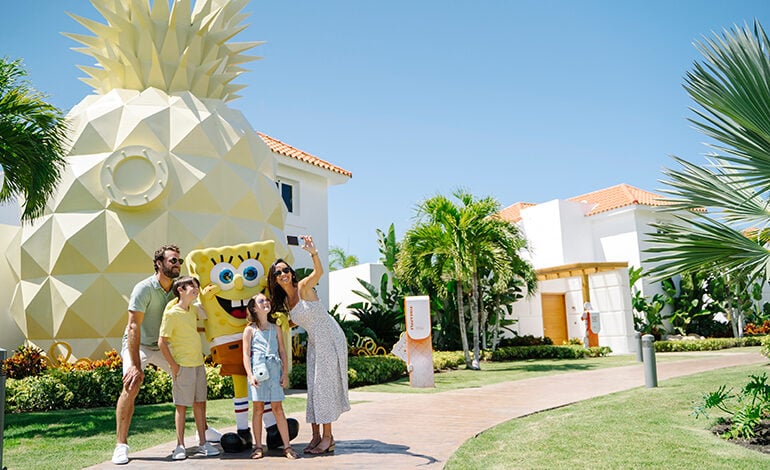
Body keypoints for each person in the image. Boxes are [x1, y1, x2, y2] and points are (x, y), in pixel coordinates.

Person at [112, 244, 220, 465]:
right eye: (173, 260)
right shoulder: (144, 288)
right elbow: (133, 327)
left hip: (165, 347)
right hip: (139, 344)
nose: (177, 264)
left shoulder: (178, 288)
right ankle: (121, 445)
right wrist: (134, 364)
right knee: (131, 385)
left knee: (190, 379)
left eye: (179, 261)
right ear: (159, 263)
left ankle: (204, 432)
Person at [267, 235, 350, 454]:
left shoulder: (303, 287)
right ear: (274, 279)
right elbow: (294, 321)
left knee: (323, 387)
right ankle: (314, 436)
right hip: (314, 341)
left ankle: (328, 438)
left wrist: (313, 252)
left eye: (286, 271)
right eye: (278, 273)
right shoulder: (285, 301)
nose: (283, 274)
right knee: (313, 388)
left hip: (329, 337)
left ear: (291, 273)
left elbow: (319, 273)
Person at [158, 276, 221, 460]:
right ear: (180, 289)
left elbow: (208, 312)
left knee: (200, 405)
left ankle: (203, 443)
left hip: (198, 365)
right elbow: (162, 342)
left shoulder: (192, 309)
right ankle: (180, 446)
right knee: (181, 407)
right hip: (183, 367)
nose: (195, 289)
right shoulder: (171, 314)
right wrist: (174, 366)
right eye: (191, 286)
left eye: (196, 286)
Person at [242, 293, 298, 460]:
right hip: (258, 372)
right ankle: (258, 447)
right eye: (261, 301)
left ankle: (287, 447)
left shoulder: (276, 328)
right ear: (253, 307)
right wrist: (250, 375)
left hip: (274, 371)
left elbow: (282, 350)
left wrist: (285, 373)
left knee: (278, 408)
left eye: (267, 300)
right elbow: (245, 355)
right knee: (258, 409)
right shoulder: (249, 330)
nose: (265, 302)